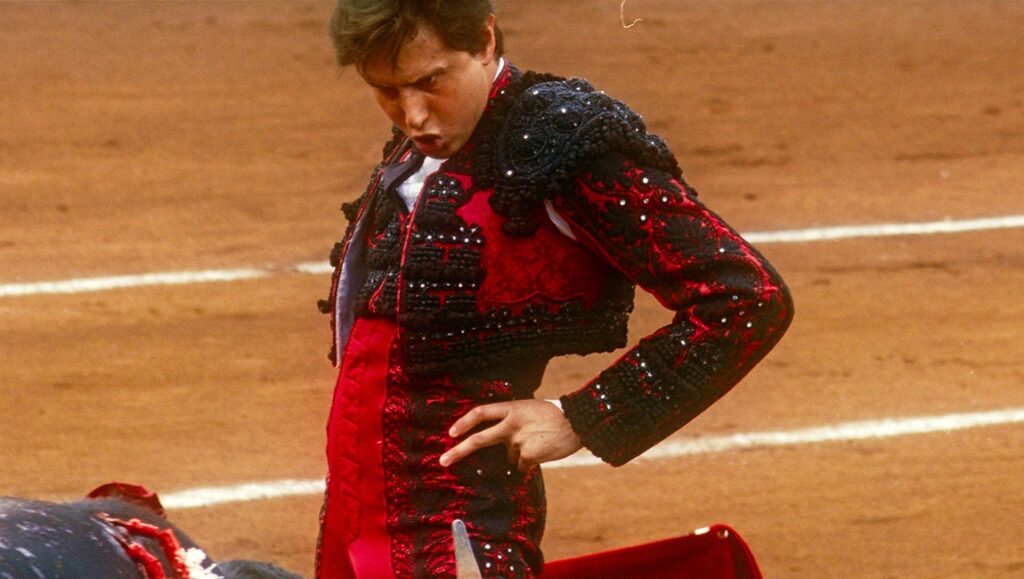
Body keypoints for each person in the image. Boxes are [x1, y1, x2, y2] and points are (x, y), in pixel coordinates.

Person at [315, 1, 794, 577]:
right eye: (387, 91)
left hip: (457, 524)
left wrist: (584, 415)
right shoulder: (428, 144)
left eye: (429, 82)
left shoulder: (562, 143)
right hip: (359, 504)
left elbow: (745, 296)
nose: (413, 116)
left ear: (486, 41)